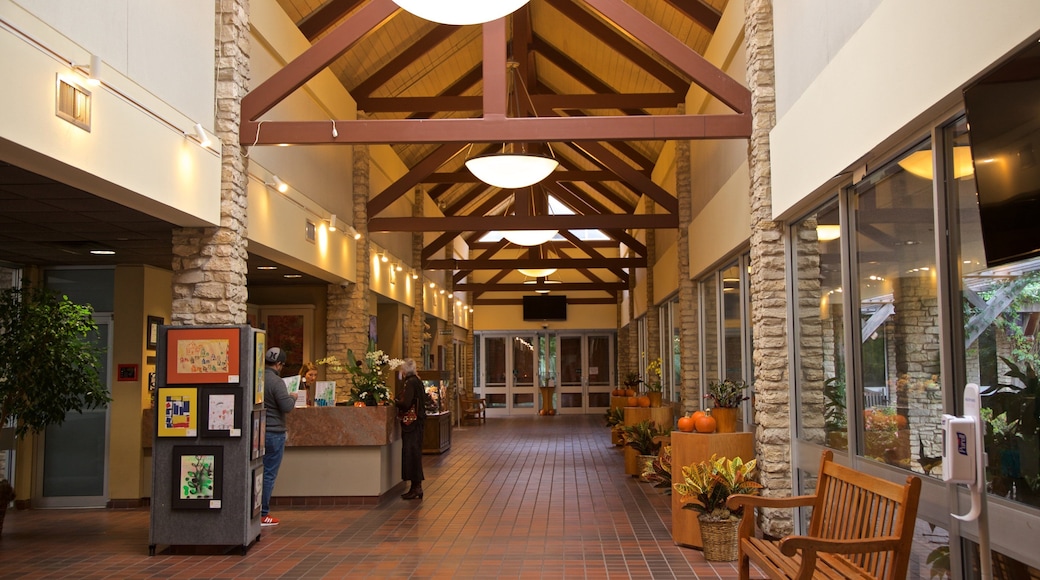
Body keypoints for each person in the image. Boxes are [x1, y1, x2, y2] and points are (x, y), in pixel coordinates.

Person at [261, 346, 294, 526]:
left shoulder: (257, 379)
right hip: (274, 432)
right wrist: (294, 397)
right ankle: (263, 513)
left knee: (258, 471)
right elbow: (287, 406)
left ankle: (254, 511)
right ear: (279, 364)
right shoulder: (276, 382)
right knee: (269, 474)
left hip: (259, 431)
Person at [395, 358, 426, 499]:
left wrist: (395, 402)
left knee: (411, 453)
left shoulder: (410, 382)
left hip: (411, 423)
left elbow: (406, 403)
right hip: (418, 422)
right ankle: (416, 486)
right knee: (415, 453)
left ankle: (416, 487)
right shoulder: (418, 381)